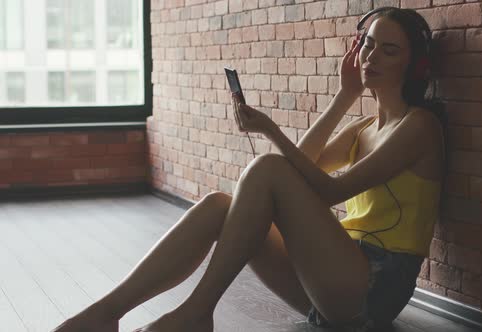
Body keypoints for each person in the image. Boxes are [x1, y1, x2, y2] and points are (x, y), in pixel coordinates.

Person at [51, 6, 446, 332]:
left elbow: (327, 191)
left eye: (388, 51)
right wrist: (345, 96)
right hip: (332, 276)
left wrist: (271, 130)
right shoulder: (363, 127)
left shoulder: (419, 126)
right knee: (220, 204)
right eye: (368, 44)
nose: (371, 57)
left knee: (268, 169)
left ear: (415, 67)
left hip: (374, 287)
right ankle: (107, 312)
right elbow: (303, 164)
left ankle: (196, 312)